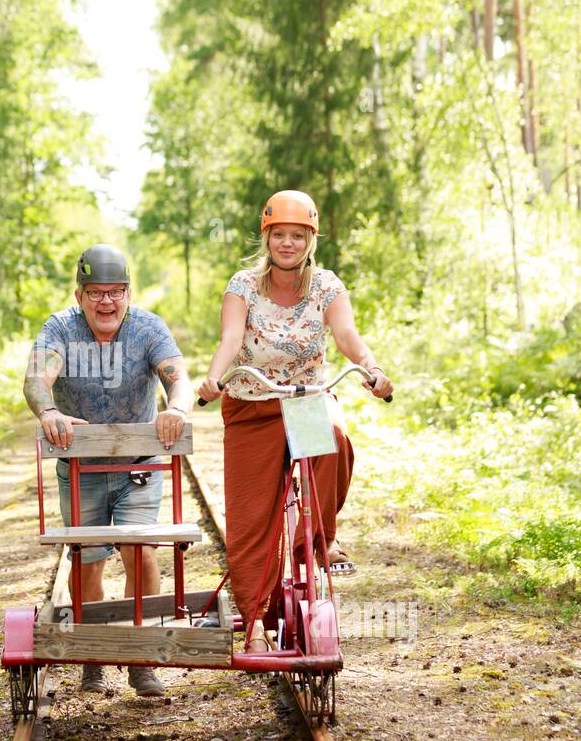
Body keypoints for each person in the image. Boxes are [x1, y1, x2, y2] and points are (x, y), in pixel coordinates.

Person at [196, 191, 393, 654]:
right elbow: (230, 337)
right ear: (267, 237)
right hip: (252, 404)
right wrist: (212, 377)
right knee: (250, 516)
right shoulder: (242, 284)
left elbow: (346, 335)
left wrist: (372, 368)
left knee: (334, 440)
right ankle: (255, 624)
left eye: (297, 235)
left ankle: (315, 540)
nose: (288, 243)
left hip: (305, 399)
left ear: (311, 239)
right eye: (279, 234)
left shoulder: (326, 286)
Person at [24, 244, 195, 696]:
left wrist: (175, 407)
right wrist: (48, 412)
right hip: (81, 468)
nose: (107, 302)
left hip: (137, 466)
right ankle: (94, 657)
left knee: (139, 551)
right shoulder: (60, 328)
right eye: (96, 292)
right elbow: (37, 377)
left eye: (116, 292)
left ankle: (142, 659)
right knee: (88, 560)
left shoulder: (147, 327)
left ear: (128, 292)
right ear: (80, 295)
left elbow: (178, 376)